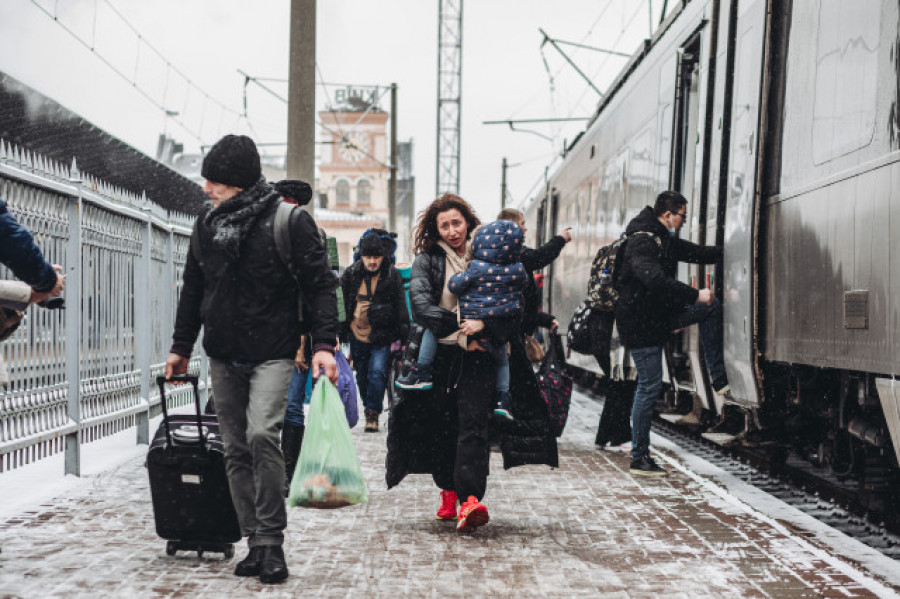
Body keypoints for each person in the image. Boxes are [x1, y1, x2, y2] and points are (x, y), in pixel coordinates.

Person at [165, 134, 338, 584]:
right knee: (235, 448)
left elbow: (321, 286)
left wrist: (323, 344)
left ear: (239, 182)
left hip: (272, 351)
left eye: (215, 181)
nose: (207, 189)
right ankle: (254, 540)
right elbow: (194, 287)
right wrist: (181, 347)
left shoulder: (288, 222)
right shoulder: (206, 224)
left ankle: (272, 542)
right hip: (222, 351)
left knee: (263, 434)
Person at [386, 193, 558, 534]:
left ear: (469, 223)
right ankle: (448, 491)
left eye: (457, 223)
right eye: (444, 225)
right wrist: (463, 329)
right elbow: (421, 307)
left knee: (474, 428)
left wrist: (486, 327)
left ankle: (470, 500)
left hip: (481, 356)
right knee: (441, 427)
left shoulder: (495, 255)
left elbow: (515, 310)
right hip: (441, 356)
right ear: (435, 229)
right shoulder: (428, 260)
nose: (452, 231)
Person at [614, 190, 727, 477]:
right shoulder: (643, 240)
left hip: (655, 318)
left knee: (711, 308)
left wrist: (728, 250)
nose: (684, 222)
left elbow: (695, 253)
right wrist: (695, 294)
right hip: (641, 325)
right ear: (668, 215)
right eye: (682, 216)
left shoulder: (661, 237)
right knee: (649, 386)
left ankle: (717, 377)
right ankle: (640, 457)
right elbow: (653, 279)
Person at [340, 231, 409, 432]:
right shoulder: (351, 274)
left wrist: (403, 337)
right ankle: (369, 406)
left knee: (377, 373)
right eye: (368, 257)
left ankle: (373, 413)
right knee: (362, 375)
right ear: (361, 257)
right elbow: (342, 305)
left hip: (382, 335)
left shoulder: (391, 275)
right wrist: (340, 331)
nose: (372, 261)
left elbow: (400, 307)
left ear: (382, 257)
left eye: (376, 257)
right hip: (356, 333)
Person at [496, 208, 571, 338]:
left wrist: (545, 320)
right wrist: (560, 239)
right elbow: (538, 257)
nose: (525, 229)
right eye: (522, 223)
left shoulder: (507, 251)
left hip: (515, 332)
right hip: (512, 335)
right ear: (512, 226)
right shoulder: (511, 253)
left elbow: (524, 309)